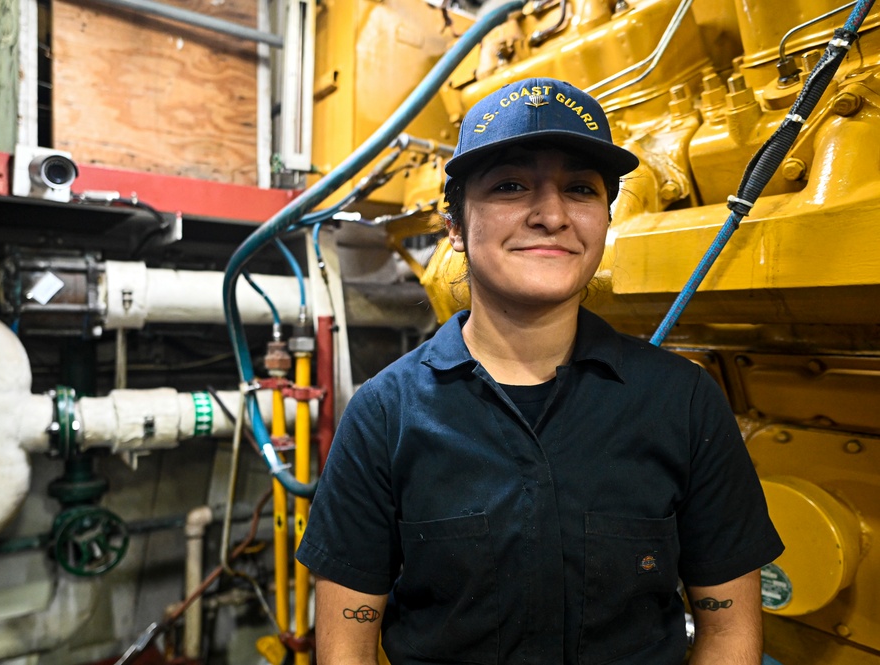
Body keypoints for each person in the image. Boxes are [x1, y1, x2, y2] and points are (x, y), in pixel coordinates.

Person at [296, 77, 784, 665]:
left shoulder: (682, 402)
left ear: (604, 219)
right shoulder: (385, 415)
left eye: (580, 188)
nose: (551, 215)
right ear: (453, 225)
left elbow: (729, 634)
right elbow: (344, 649)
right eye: (510, 186)